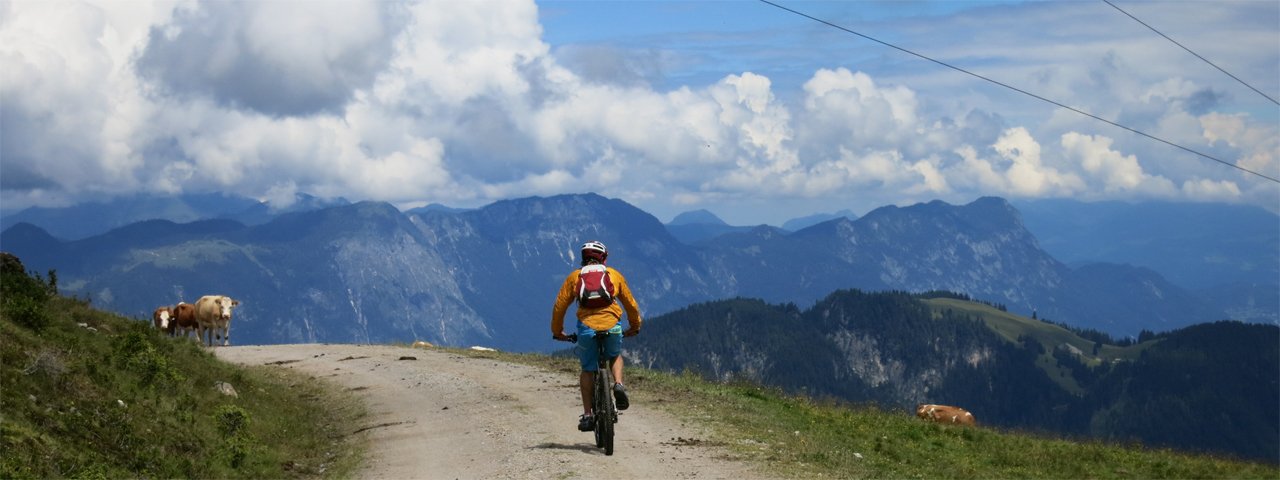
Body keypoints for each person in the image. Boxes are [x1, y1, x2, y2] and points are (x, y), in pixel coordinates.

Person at [551, 240, 642, 432]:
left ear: (584, 258)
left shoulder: (574, 277)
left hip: (586, 329)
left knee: (587, 369)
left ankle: (588, 414)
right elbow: (630, 304)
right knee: (614, 355)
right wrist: (634, 326)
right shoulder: (613, 275)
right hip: (612, 326)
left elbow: (559, 307)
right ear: (603, 258)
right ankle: (618, 384)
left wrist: (557, 332)